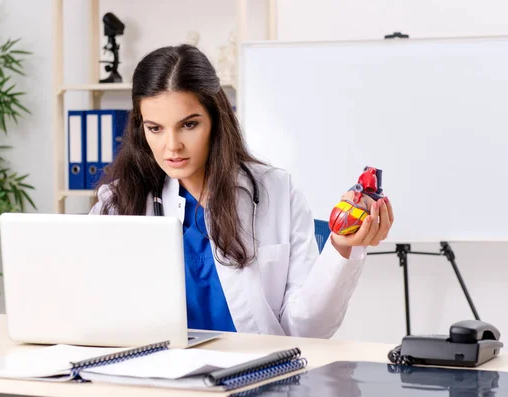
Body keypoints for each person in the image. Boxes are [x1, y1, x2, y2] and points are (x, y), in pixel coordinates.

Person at [89, 44, 394, 339]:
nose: (172, 146)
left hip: (259, 377)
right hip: (156, 378)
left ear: (215, 121)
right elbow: (94, 311)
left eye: (189, 125)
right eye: (155, 128)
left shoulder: (277, 191)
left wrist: (341, 247)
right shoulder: (118, 202)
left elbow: (308, 331)